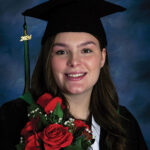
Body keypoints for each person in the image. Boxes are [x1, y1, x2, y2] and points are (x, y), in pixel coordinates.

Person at [0, 0, 148, 150]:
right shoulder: (12, 119)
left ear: (102, 57)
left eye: (86, 50)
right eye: (61, 52)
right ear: (48, 59)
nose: (74, 62)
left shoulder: (123, 123)